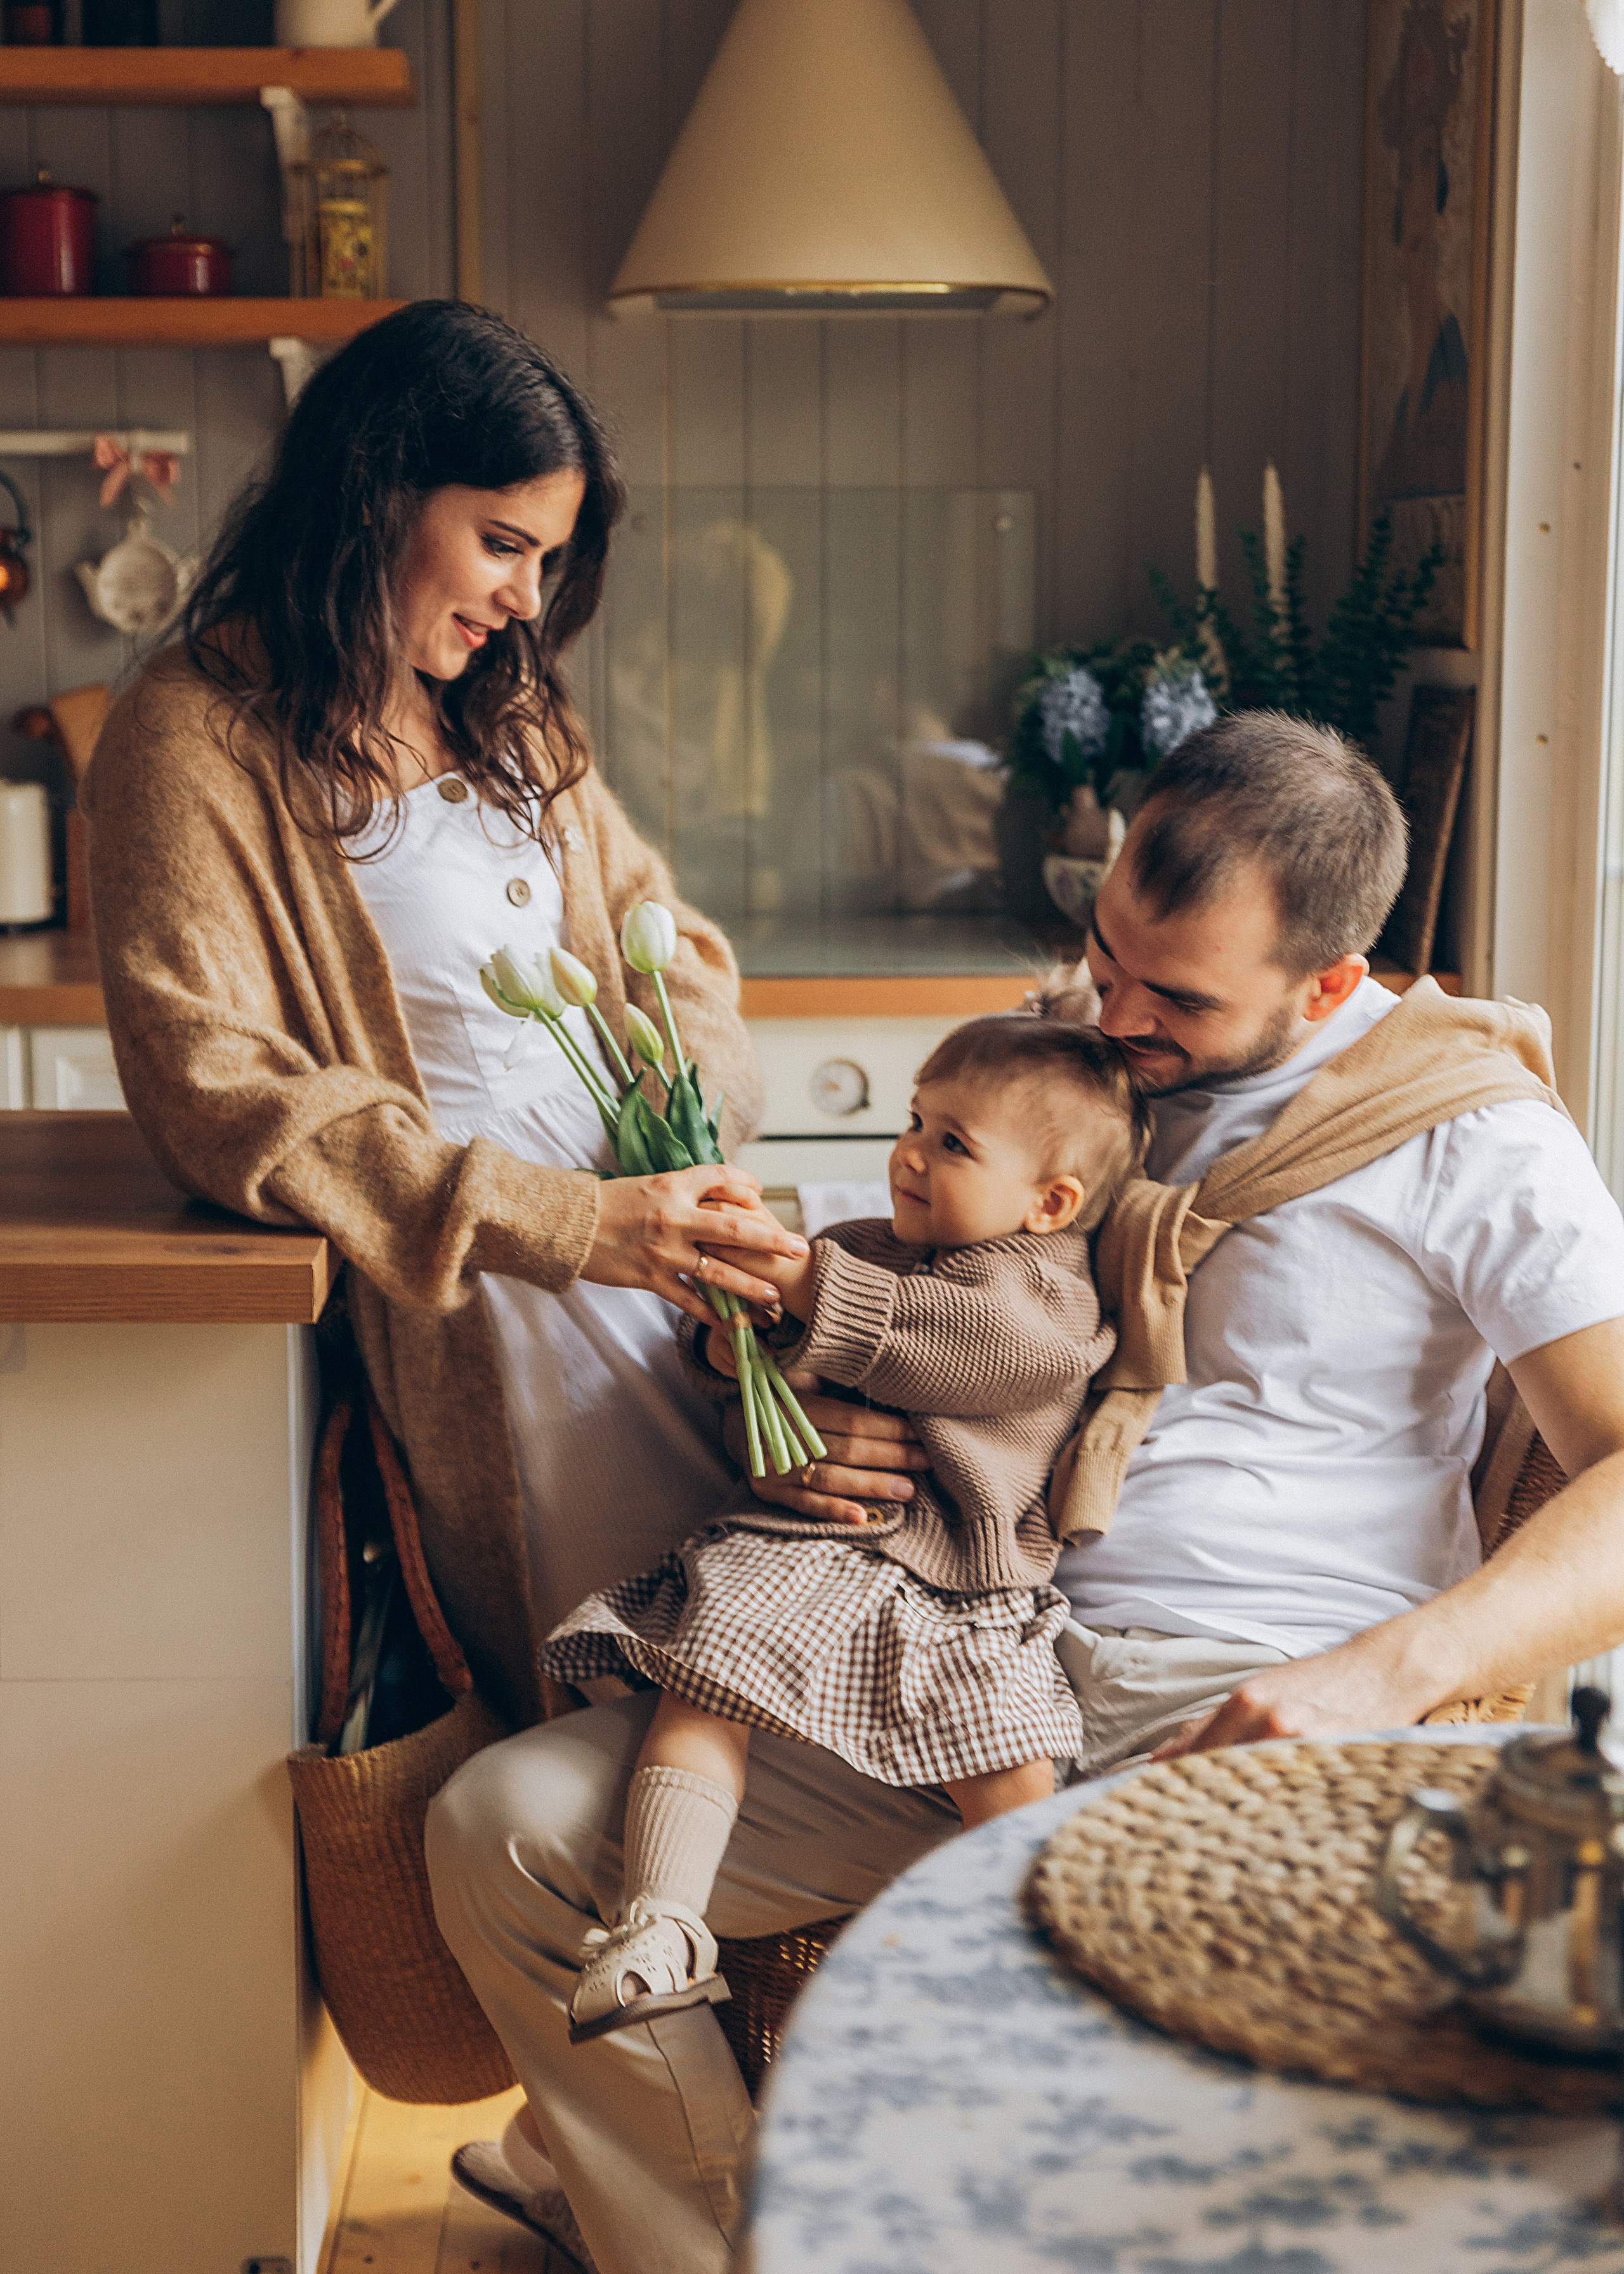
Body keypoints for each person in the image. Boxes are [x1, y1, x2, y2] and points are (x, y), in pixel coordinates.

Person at [428, 710, 1624, 2274]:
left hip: (1240, 1698)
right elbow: (908, 1285)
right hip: (954, 1640)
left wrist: (1373, 1678)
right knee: (504, 1829)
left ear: (1328, 983)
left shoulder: (1473, 1133)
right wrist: (772, 1394)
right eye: (1102, 950)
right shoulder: (1068, 1056)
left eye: (1174, 994)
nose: (1114, 1007)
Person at [84, 299, 809, 1816]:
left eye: (545, 561)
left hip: (666, 1277)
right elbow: (218, 1086)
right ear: (375, 491)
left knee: (778, 1702)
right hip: (504, 1325)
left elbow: (666, 946)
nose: (525, 601)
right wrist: (567, 1225)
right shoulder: (191, 738)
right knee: (624, 1758)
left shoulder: (510, 715)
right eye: (499, 544)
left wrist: (693, 1134)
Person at [541, 1002, 1146, 2041]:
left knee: (1010, 1754)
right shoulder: (860, 1243)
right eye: (916, 1121)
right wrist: (734, 1354)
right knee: (704, 1684)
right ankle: (664, 1921)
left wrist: (808, 1285)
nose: (910, 1154)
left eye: (953, 1143)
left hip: (967, 1583)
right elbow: (759, 1354)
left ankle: (1035, 1949)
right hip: (809, 1550)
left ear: (1051, 1201)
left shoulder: (1043, 1291)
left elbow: (974, 1345)